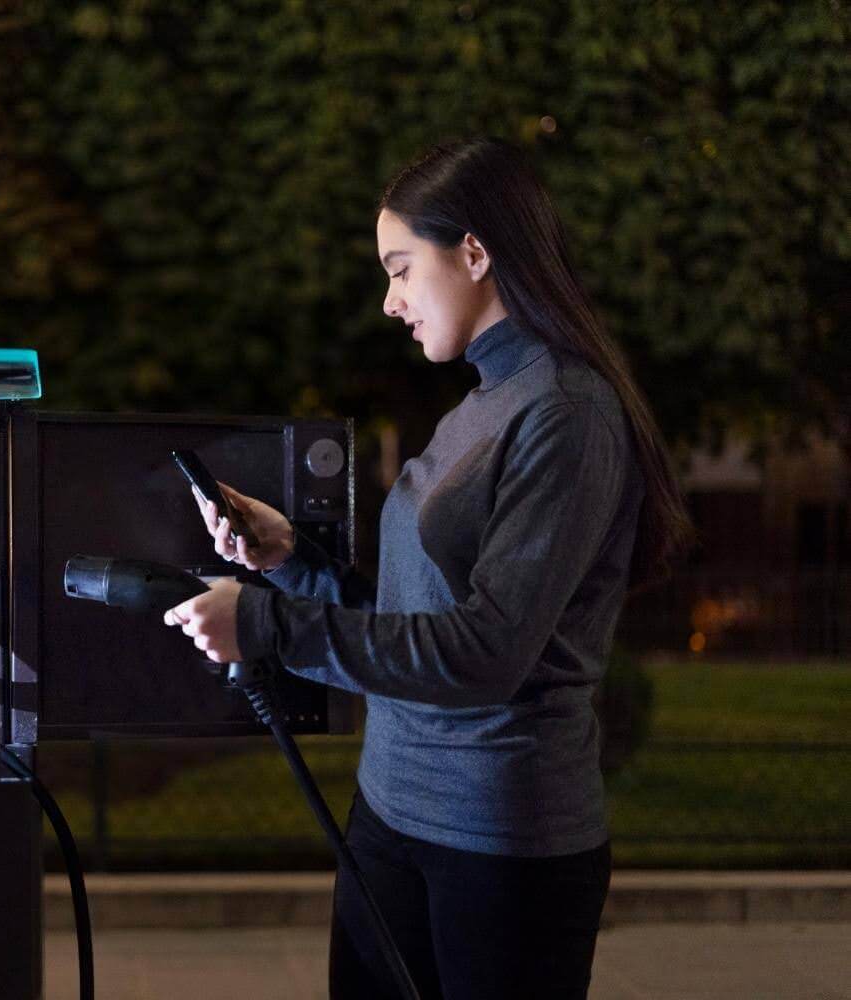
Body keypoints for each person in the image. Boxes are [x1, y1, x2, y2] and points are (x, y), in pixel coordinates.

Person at [162, 136, 693, 1000]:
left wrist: (263, 625)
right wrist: (291, 561)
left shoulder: (566, 414)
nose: (389, 300)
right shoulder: (482, 407)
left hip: (498, 843)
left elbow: (485, 652)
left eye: (402, 268)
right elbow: (418, 615)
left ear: (475, 253)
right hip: (391, 813)